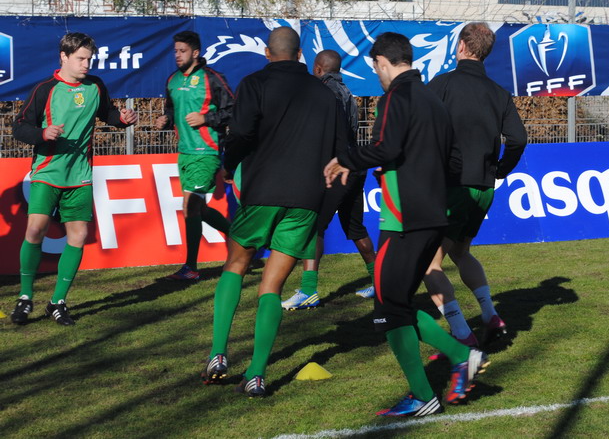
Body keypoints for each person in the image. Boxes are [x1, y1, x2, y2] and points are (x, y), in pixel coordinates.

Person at [324, 32, 489, 417]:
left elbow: (387, 147)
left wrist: (347, 158)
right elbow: (454, 161)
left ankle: (428, 388)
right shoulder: (433, 97)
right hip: (433, 216)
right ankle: (461, 356)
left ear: (382, 61)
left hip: (403, 220)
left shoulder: (396, 96)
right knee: (395, 304)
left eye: (376, 68)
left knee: (386, 308)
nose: (378, 75)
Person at [202, 26, 345, 398]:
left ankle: (218, 354)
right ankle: (257, 374)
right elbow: (342, 153)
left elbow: (244, 134)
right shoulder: (326, 94)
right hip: (305, 198)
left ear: (267, 53)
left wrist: (228, 163)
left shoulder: (254, 83)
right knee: (273, 286)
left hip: (262, 190)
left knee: (235, 265)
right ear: (301, 55)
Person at [10, 32, 136, 326]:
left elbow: (107, 113)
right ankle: (26, 297)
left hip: (80, 175)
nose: (86, 65)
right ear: (63, 57)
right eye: (80, 58)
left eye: (89, 59)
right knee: (35, 231)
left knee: (78, 236)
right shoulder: (45, 89)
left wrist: (122, 119)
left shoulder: (96, 86)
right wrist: (42, 134)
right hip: (47, 172)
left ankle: (57, 301)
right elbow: (20, 127)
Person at [422, 22, 527, 347]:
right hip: (483, 187)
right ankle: (489, 314)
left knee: (429, 262)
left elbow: (420, 128)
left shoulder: (442, 84)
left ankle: (461, 333)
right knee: (462, 252)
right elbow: (519, 139)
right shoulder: (498, 92)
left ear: (463, 48)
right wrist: (500, 170)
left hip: (453, 185)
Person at [281, 50, 376, 310]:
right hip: (356, 166)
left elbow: (321, 134)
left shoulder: (322, 92)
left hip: (337, 168)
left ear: (319, 69)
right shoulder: (348, 93)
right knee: (357, 229)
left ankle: (309, 290)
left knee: (314, 226)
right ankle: (380, 283)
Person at [154, 31, 234, 281]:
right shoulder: (172, 80)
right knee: (198, 207)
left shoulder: (212, 79)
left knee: (190, 206)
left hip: (206, 152)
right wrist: (165, 120)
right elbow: (171, 109)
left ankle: (191, 268)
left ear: (196, 53)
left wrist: (206, 118)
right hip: (185, 153)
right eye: (175, 51)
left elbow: (233, 110)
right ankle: (238, 237)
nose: (177, 55)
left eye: (182, 51)